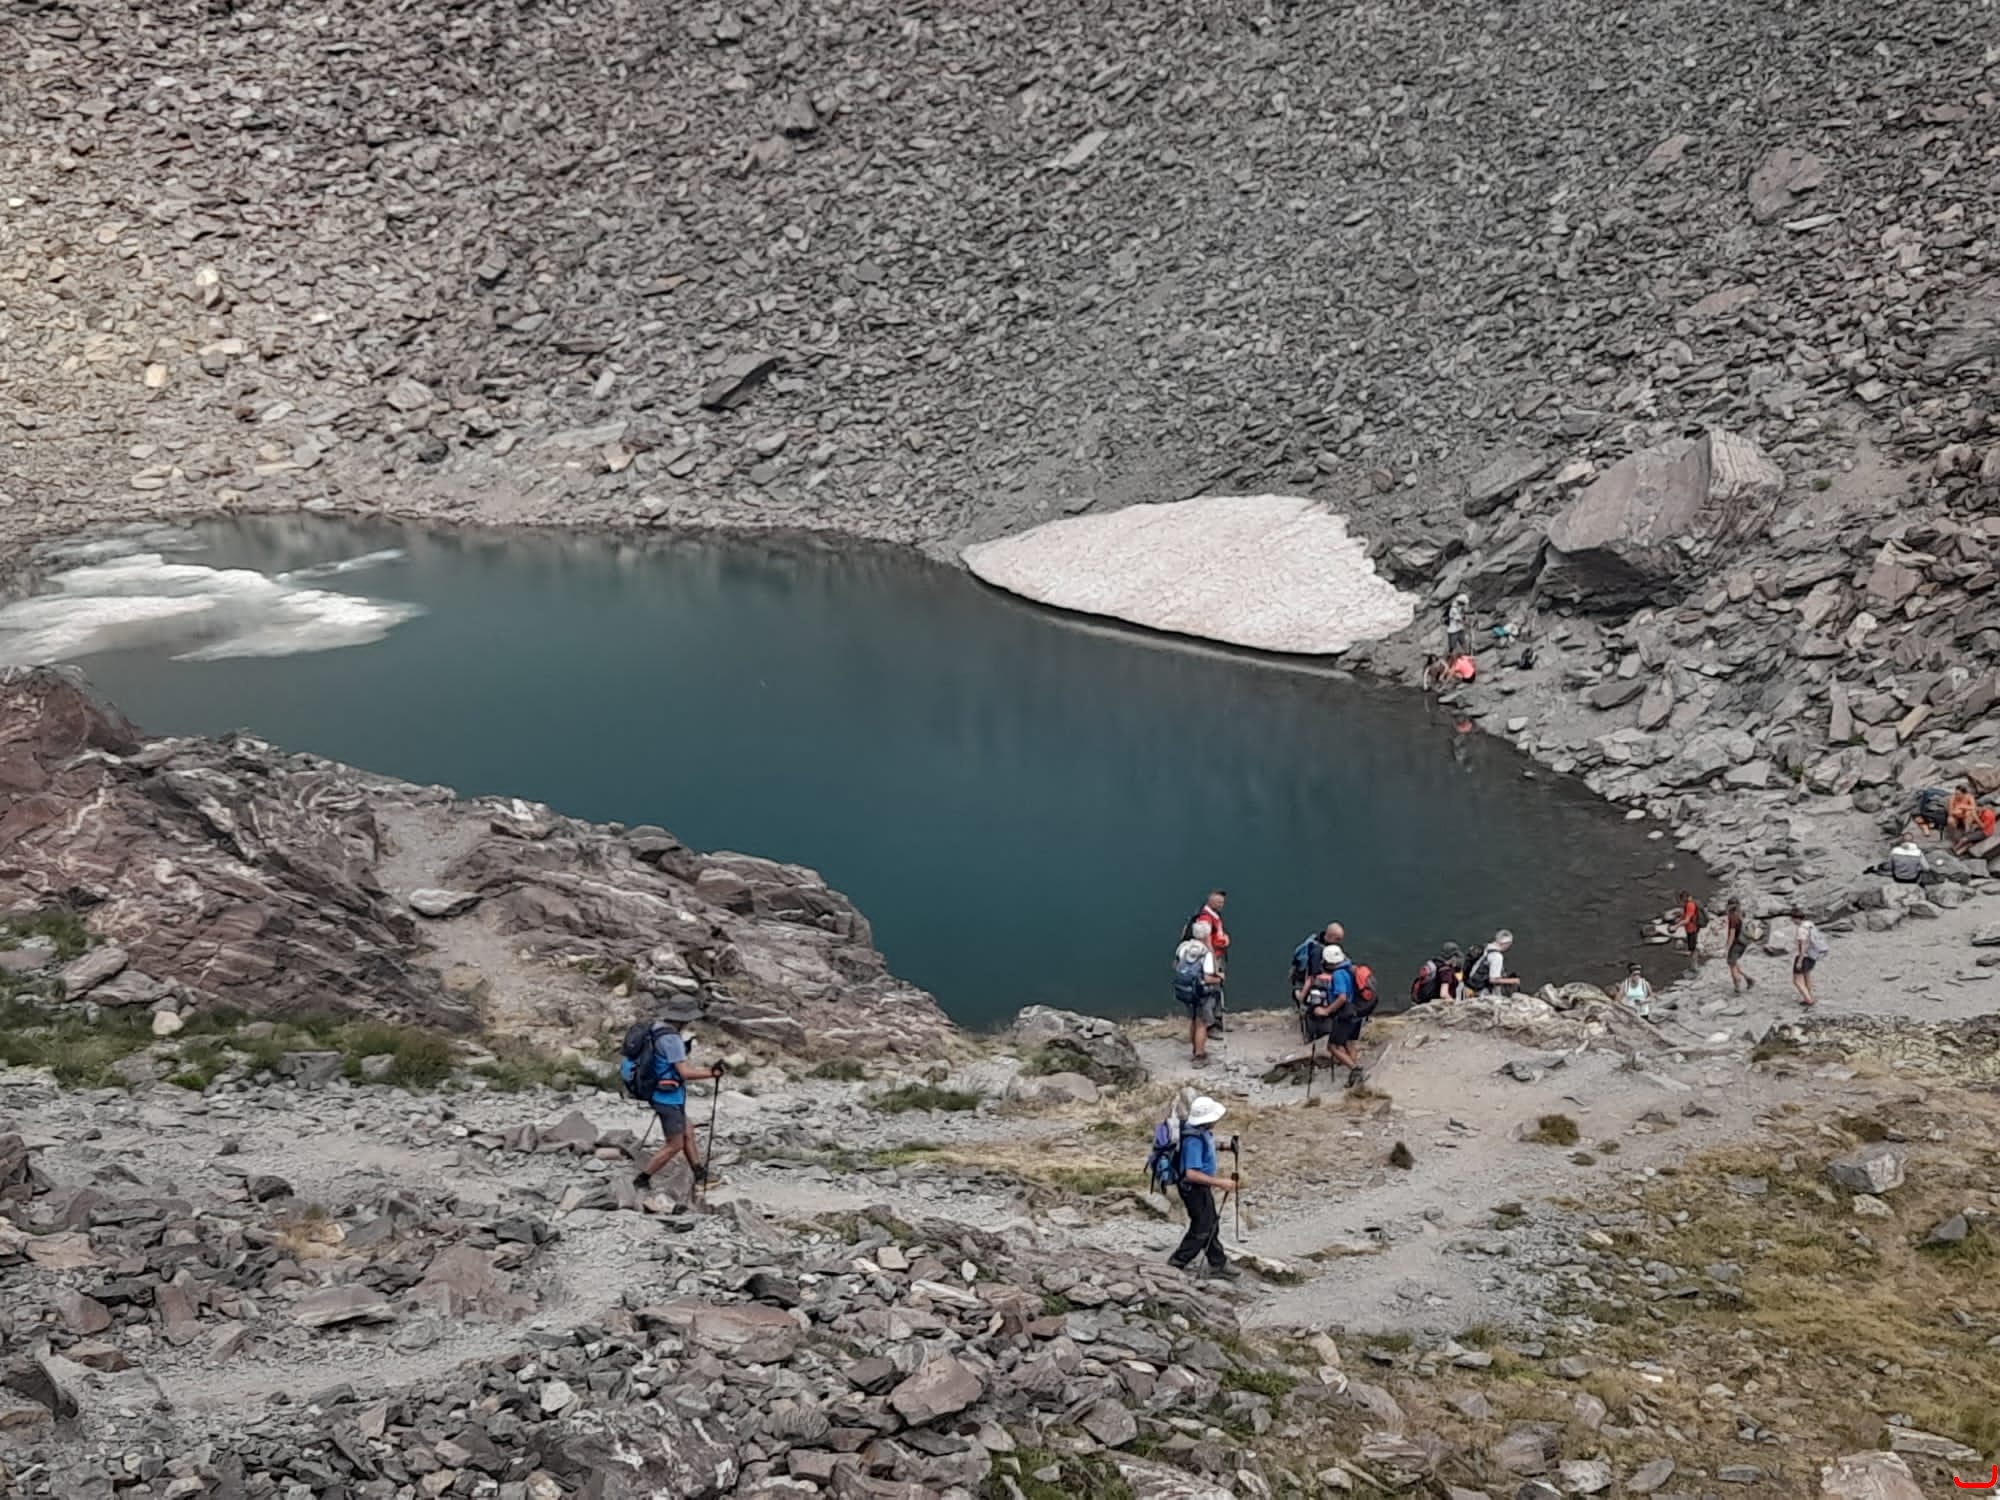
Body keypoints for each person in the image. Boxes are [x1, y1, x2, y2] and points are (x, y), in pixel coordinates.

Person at [633, 1020, 727, 1194]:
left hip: (657, 1092)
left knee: (688, 1131)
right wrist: (711, 1073)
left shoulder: (656, 1029)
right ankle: (642, 1179)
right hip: (668, 1098)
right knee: (675, 1144)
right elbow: (684, 1073)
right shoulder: (672, 1040)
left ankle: (699, 1175)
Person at [1167, 1095, 1238, 1279]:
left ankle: (1217, 1261)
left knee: (1210, 1222)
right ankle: (1176, 1263)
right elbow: (1191, 1174)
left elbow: (1207, 1147)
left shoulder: (1200, 1131)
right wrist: (1221, 1183)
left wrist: (1225, 1146)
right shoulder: (1193, 1141)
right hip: (1193, 1189)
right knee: (1202, 1228)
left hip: (1198, 1188)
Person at [1173, 921, 1223, 1066]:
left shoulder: (1183, 947)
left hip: (1186, 990)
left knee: (1193, 1019)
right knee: (1202, 1023)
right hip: (1201, 993)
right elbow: (1207, 978)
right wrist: (1219, 978)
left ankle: (1195, 1048)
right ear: (1207, 935)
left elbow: (1176, 965)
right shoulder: (1205, 953)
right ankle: (1200, 1055)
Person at [1182, 889, 1230, 1033]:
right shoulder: (1205, 918)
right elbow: (1207, 941)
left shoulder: (1215, 915)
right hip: (1212, 957)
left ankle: (1217, 1020)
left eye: (1222, 902)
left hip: (1218, 955)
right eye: (1218, 902)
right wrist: (1213, 962)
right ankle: (1210, 1025)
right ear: (1210, 900)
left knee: (1217, 990)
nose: (1221, 904)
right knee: (1210, 992)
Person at [1465, 930, 1518, 994]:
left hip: (1470, 981)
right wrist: (1513, 981)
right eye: (1509, 944)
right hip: (1479, 988)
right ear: (1506, 944)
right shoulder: (1497, 957)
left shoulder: (1488, 946)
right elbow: (1493, 980)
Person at [1790, 909, 1825, 1008]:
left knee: (1797, 980)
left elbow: (1804, 945)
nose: (1792, 921)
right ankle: (1809, 996)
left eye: (1792, 919)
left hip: (1804, 957)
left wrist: (1799, 961)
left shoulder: (1801, 929)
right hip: (1812, 956)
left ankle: (1809, 1000)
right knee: (1807, 976)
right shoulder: (1810, 924)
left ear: (1796, 918)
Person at [1724, 898, 1755, 994]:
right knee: (1734, 963)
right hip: (1743, 943)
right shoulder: (1741, 914)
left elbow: (1732, 935)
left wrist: (1726, 948)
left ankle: (1737, 985)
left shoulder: (1732, 918)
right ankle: (1748, 979)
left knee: (1731, 964)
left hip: (1736, 944)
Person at [1678, 890, 1703, 959]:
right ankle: (1694, 958)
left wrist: (1676, 926)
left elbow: (1687, 920)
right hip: (1690, 928)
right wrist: (1679, 919)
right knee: (1692, 946)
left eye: (1681, 900)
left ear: (1684, 898)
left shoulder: (1690, 905)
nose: (1681, 902)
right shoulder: (1688, 904)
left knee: (1693, 947)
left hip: (1692, 929)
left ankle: (1695, 963)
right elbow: (1686, 915)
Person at [1446, 592, 1470, 657]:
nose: (1464, 605)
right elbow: (1459, 620)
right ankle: (1452, 659)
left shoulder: (1459, 607)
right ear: (1460, 602)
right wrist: (1467, 624)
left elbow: (1462, 617)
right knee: (1453, 648)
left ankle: (1467, 656)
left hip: (1459, 629)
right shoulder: (1453, 609)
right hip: (1453, 631)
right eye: (1463, 603)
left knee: (1464, 644)